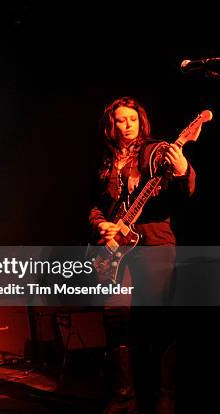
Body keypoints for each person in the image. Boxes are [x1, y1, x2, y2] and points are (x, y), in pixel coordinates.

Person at [89, 97, 196, 413]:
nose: (127, 125)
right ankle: (124, 396)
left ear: (141, 121)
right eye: (121, 120)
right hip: (116, 249)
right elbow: (95, 206)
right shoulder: (106, 163)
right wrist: (102, 225)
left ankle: (165, 395)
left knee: (158, 319)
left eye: (132, 119)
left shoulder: (156, 151)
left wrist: (183, 169)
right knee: (115, 318)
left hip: (152, 242)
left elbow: (183, 191)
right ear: (112, 125)